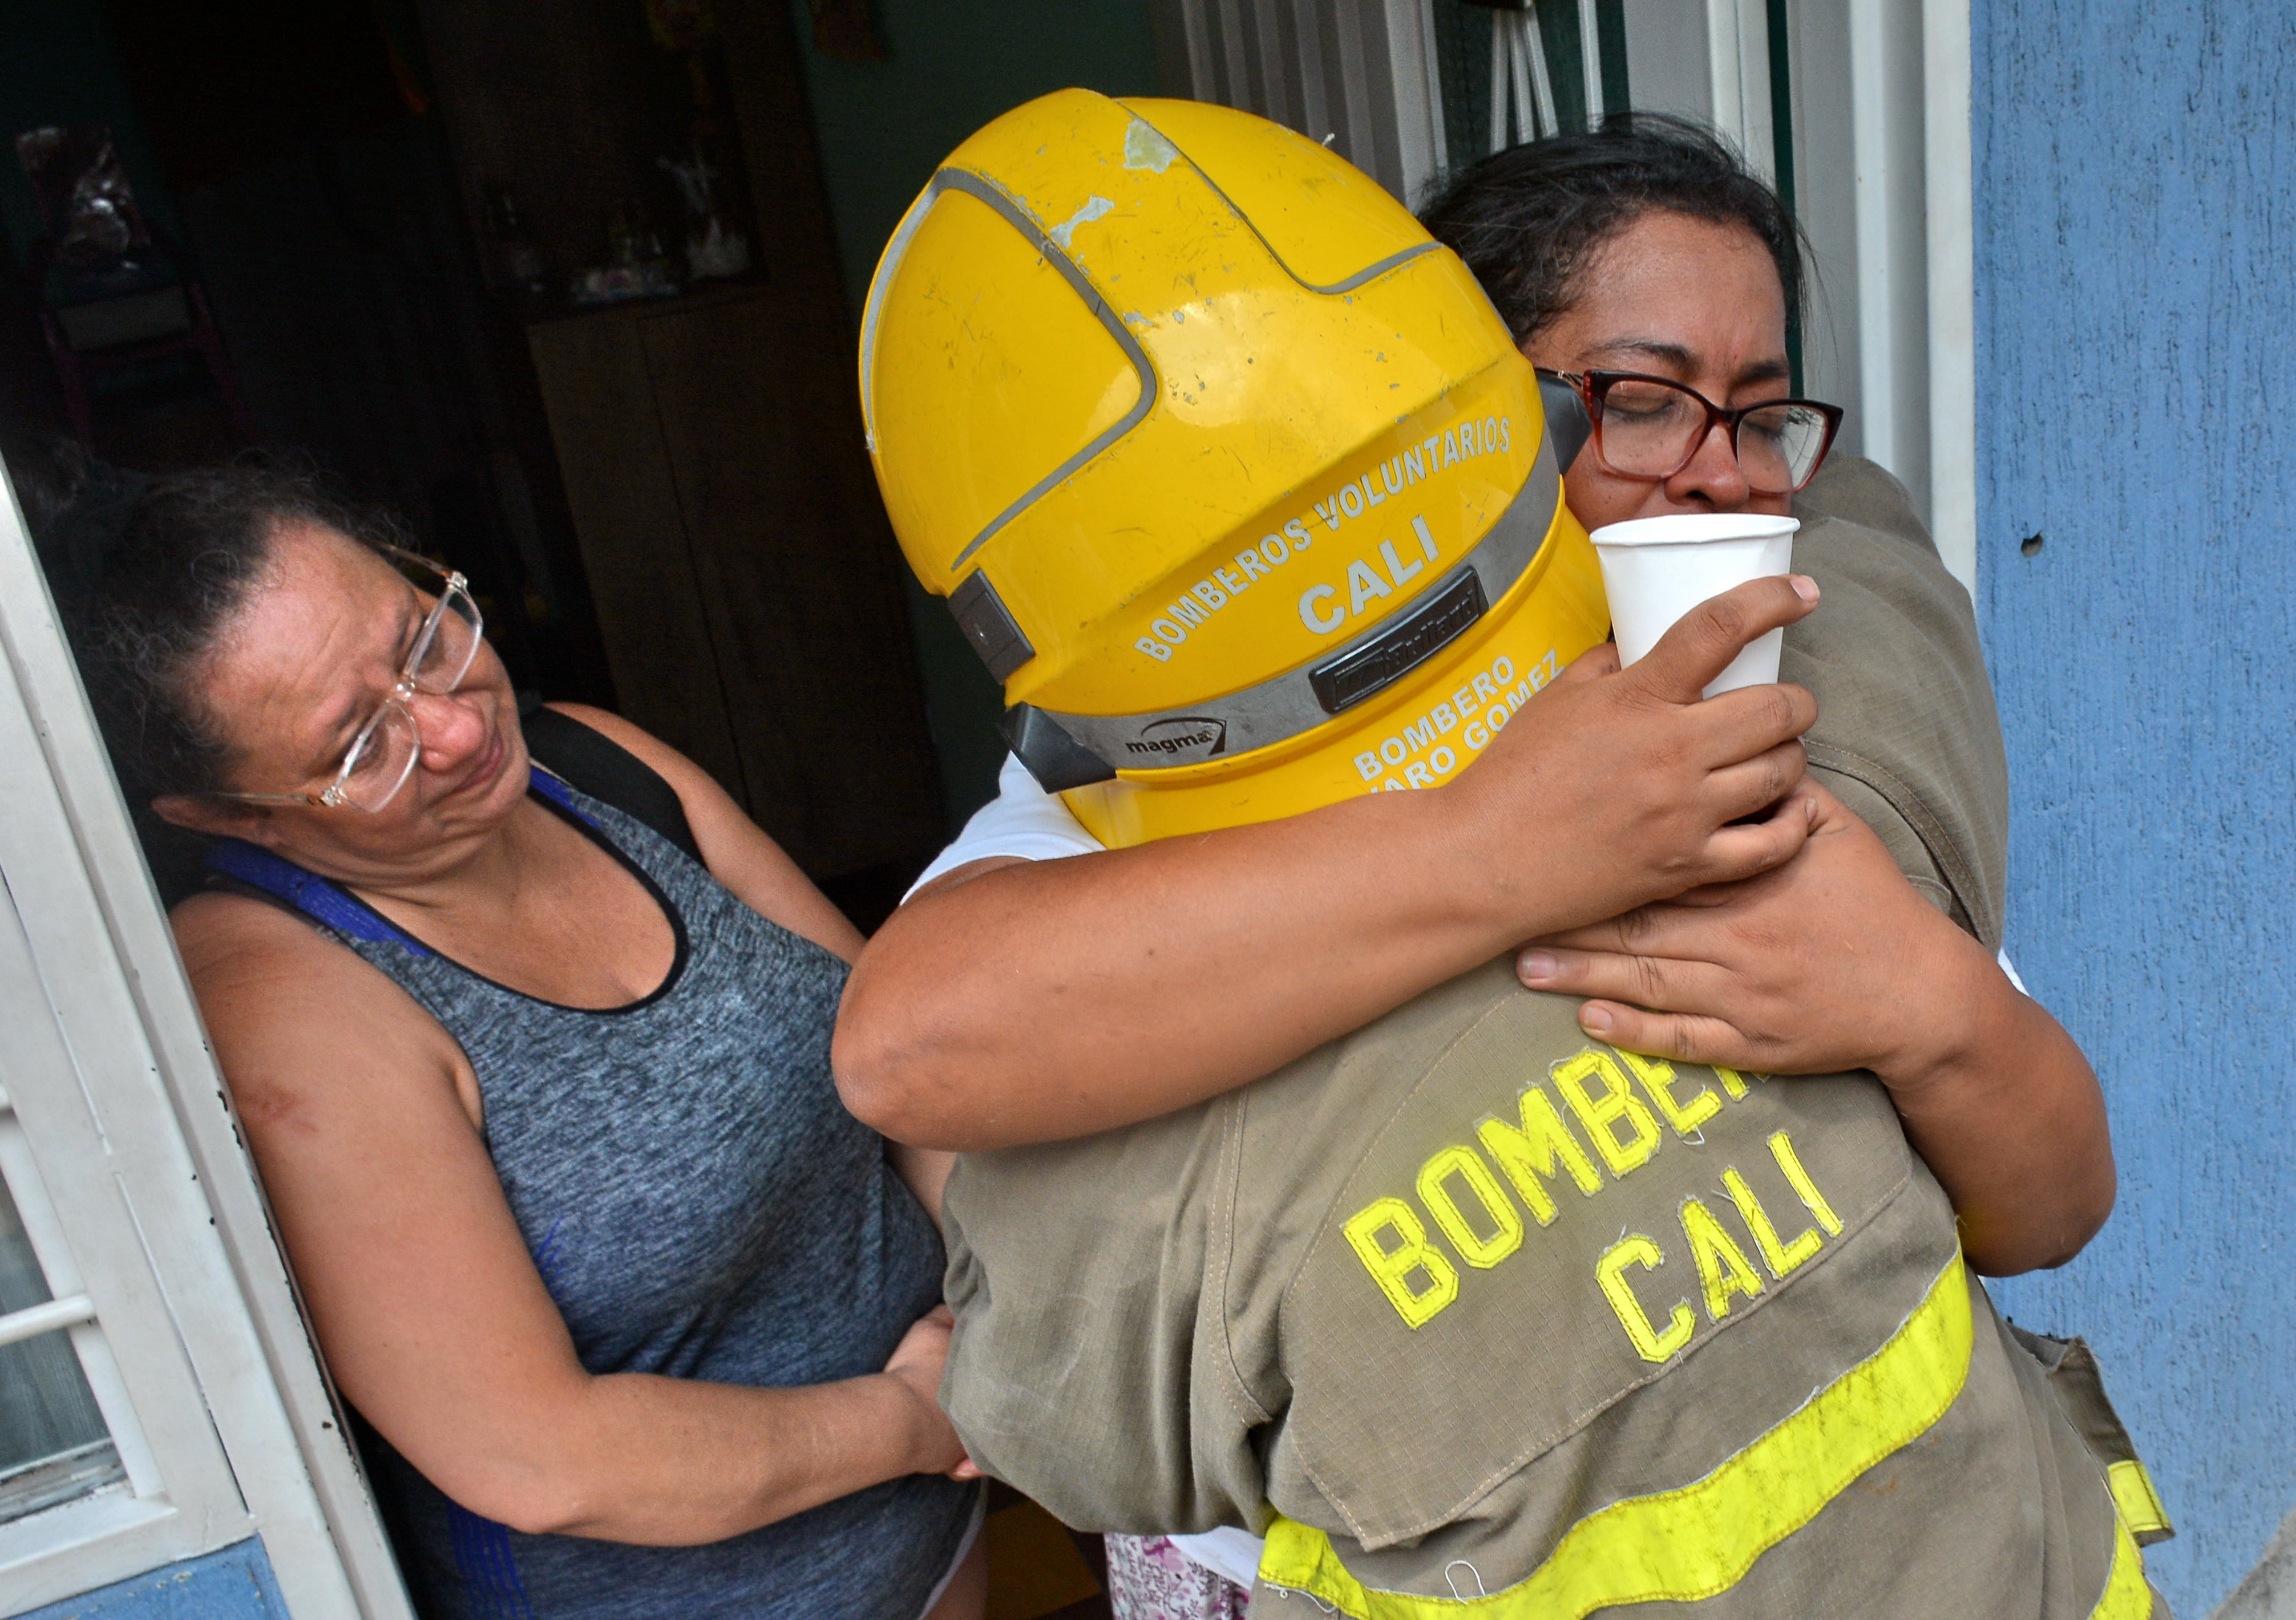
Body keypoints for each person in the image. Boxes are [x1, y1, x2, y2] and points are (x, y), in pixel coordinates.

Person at [842, 96, 2156, 1617]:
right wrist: (1506, 847)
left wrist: (1930, 1008)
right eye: (1643, 401)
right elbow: (909, 1044)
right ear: (1456, 410)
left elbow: (2050, 1212)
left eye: (1763, 412)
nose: (1724, 479)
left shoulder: (1791, 725)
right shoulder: (1179, 755)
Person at [9, 441, 985, 1620]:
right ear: (224, 815)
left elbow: (903, 1068)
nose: (459, 730)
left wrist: (1005, 1313)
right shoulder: (283, 1005)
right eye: (358, 747)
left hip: (938, 1528)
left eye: (425, 636)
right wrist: (923, 1416)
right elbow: (538, 1456)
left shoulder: (595, 764)